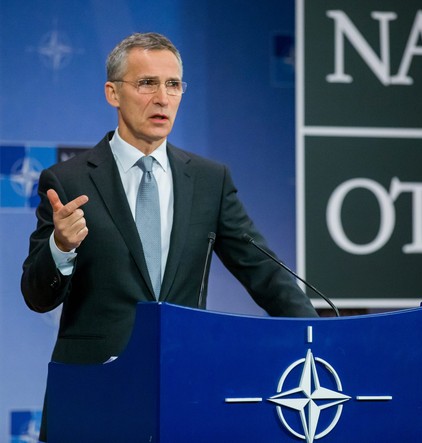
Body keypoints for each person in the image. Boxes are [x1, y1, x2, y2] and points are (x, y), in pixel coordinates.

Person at [21, 32, 317, 441]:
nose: (162, 98)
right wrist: (61, 248)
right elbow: (37, 296)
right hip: (94, 390)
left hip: (186, 386)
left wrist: (322, 339)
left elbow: (264, 272)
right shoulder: (67, 180)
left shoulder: (210, 180)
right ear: (113, 93)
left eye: (173, 84)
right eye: (147, 83)